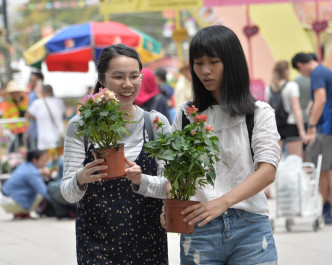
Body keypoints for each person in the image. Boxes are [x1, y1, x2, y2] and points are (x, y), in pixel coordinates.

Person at [126, 25, 280, 264]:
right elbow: (175, 171)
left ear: (231, 63)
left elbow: (267, 171)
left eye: (213, 62)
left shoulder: (259, 113)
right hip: (199, 225)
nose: (205, 71)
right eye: (198, 63)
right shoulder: (188, 114)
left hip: (250, 227)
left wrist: (221, 203)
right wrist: (171, 203)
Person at [60, 44, 170, 264]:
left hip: (148, 243)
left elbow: (170, 186)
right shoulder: (79, 126)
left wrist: (142, 180)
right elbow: (67, 193)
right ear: (102, 79)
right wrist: (80, 180)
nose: (128, 84)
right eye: (118, 77)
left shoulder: (155, 123)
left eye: (134, 76)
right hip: (95, 244)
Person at [292, 52, 332, 224]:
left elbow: (321, 100)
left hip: (326, 127)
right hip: (327, 126)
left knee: (323, 170)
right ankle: (327, 206)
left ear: (300, 65)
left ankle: (326, 207)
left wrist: (312, 125)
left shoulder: (316, 73)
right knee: (327, 169)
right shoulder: (325, 71)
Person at [265, 60, 308, 158]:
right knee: (295, 160)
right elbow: (296, 110)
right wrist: (302, 131)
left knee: (276, 161)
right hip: (291, 125)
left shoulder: (269, 88)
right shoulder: (292, 86)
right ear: (287, 70)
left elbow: (268, 110)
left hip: (276, 125)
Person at [0, 150, 53, 219]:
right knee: (40, 193)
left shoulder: (25, 165)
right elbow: (44, 191)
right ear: (35, 160)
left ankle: (21, 212)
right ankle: (23, 212)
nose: (45, 163)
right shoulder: (33, 172)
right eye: (43, 160)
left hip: (5, 199)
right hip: (11, 203)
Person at [26, 84, 65, 151]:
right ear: (52, 92)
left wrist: (36, 117)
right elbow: (64, 113)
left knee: (46, 160)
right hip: (59, 138)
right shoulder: (59, 102)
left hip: (44, 141)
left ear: (42, 93)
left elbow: (27, 115)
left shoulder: (37, 103)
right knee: (59, 159)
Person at [0, 80, 29, 152]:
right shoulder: (7, 104)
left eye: (16, 92)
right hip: (15, 131)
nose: (14, 94)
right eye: (12, 93)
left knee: (29, 150)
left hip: (26, 131)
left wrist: (19, 101)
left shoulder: (25, 100)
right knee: (12, 151)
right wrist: (7, 131)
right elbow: (6, 118)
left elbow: (27, 112)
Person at [47, 155, 76, 220]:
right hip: (84, 195)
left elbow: (59, 176)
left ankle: (62, 213)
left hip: (67, 192)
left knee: (50, 187)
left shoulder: (62, 157)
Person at [27, 70, 44, 150]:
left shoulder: (46, 93)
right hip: (34, 131)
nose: (30, 82)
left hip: (43, 132)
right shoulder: (31, 94)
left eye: (33, 80)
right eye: (30, 80)